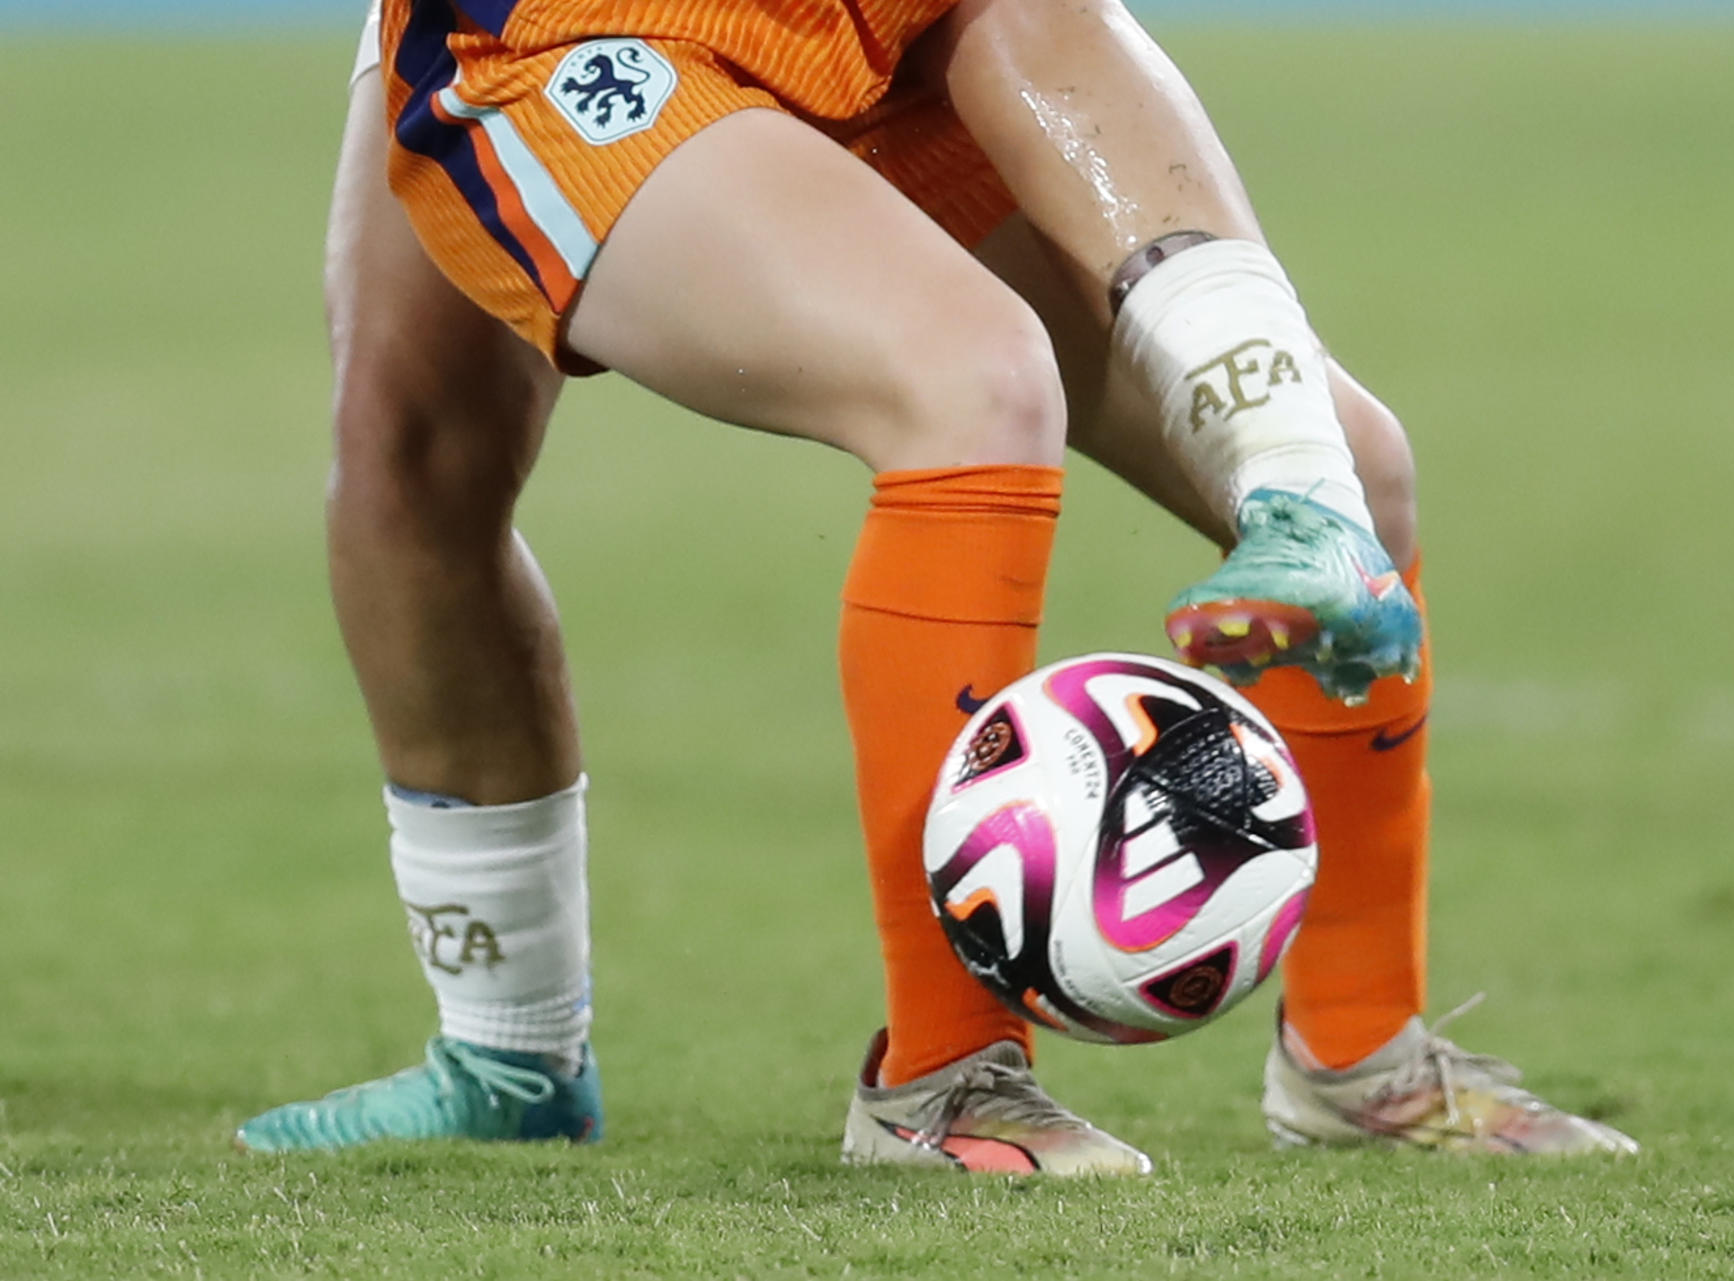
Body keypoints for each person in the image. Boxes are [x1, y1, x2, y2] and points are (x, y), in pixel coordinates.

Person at [235, 0, 1633, 1167]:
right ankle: (918, 1079)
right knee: (425, 449)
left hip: (886, 29)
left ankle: (1360, 1057)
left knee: (1353, 470)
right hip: (582, 29)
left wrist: (1287, 469)